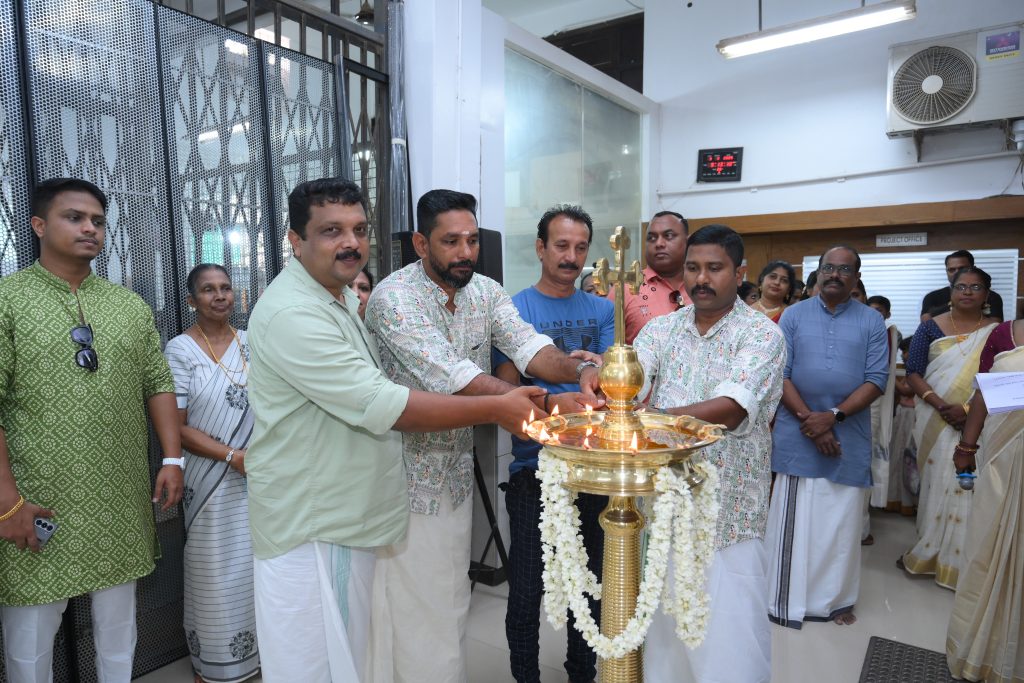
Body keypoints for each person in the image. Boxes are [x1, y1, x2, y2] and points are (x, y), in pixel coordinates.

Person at [244, 178, 546, 682]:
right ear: (295, 241)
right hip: (313, 523)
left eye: (359, 229)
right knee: (315, 666)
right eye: (331, 231)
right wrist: (498, 409)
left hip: (348, 513)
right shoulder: (297, 313)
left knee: (359, 655)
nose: (351, 243)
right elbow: (382, 403)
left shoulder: (336, 298)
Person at [365, 189, 602, 683]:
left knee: (451, 601)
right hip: (400, 479)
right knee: (409, 607)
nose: (466, 252)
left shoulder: (486, 291)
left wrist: (578, 369)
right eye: (451, 241)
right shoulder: (394, 299)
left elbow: (529, 346)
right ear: (420, 244)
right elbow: (454, 375)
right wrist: (549, 405)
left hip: (454, 472)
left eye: (472, 240)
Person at [0, 178, 183, 683]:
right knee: (30, 640)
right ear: (39, 226)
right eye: (74, 218)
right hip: (35, 502)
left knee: (119, 633)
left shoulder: (129, 305)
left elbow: (157, 383)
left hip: (117, 500)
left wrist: (172, 458)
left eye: (98, 221)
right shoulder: (8, 300)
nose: (90, 228)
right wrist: (7, 501)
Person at [637, 224, 785, 683]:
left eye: (714, 268)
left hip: (729, 513)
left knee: (728, 633)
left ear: (740, 273)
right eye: (693, 268)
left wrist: (652, 417)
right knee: (666, 628)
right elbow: (632, 382)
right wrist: (604, 377)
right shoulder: (662, 329)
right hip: (665, 503)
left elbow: (732, 408)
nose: (701, 279)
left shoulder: (762, 335)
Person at [492, 204, 614, 683]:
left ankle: (582, 675)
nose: (571, 257)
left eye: (580, 247)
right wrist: (555, 406)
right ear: (540, 248)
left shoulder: (603, 310)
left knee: (590, 587)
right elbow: (507, 392)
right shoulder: (513, 310)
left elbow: (609, 386)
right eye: (561, 245)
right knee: (526, 592)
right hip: (534, 470)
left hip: (593, 468)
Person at [766, 246, 888, 628]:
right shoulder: (793, 315)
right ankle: (786, 598)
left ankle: (835, 601)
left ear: (856, 277)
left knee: (840, 523)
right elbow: (779, 374)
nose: (835, 274)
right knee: (796, 520)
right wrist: (811, 422)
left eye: (845, 269)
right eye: (829, 268)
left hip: (848, 433)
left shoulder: (871, 321)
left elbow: (876, 380)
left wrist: (832, 417)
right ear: (818, 273)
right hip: (797, 430)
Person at [165, 264, 258, 683]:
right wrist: (231, 456)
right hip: (210, 479)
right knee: (215, 571)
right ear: (191, 300)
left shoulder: (251, 342)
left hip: (258, 474)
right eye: (208, 290)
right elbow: (177, 427)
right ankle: (216, 665)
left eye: (225, 288)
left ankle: (260, 655)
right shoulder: (181, 350)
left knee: (255, 567)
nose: (219, 296)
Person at [900, 267, 998, 589]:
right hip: (935, 417)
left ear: (986, 294)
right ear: (951, 291)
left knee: (975, 487)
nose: (967, 292)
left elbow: (1000, 376)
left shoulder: (997, 330)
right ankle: (931, 552)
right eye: (961, 286)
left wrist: (968, 410)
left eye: (975, 287)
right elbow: (913, 372)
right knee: (935, 484)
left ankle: (967, 563)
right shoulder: (930, 328)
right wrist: (941, 404)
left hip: (981, 421)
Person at [945, 316, 1024, 683]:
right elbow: (983, 393)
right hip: (1001, 459)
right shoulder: (1004, 334)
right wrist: (966, 446)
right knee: (987, 548)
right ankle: (984, 652)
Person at [608, 211, 691, 344]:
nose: (659, 243)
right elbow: (607, 349)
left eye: (668, 236)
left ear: (688, 241)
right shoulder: (625, 289)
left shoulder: (701, 285)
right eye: (651, 238)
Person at [920, 250, 1004, 322]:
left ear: (973, 269)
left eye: (962, 269)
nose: (957, 273)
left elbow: (995, 327)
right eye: (951, 270)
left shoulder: (991, 296)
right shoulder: (932, 297)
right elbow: (926, 325)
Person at [889, 337, 920, 515]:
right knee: (897, 455)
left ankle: (908, 501)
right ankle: (896, 499)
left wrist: (890, 374)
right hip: (902, 414)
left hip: (911, 415)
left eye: (905, 351)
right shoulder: (910, 369)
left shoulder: (919, 369)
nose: (903, 355)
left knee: (907, 458)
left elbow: (907, 391)